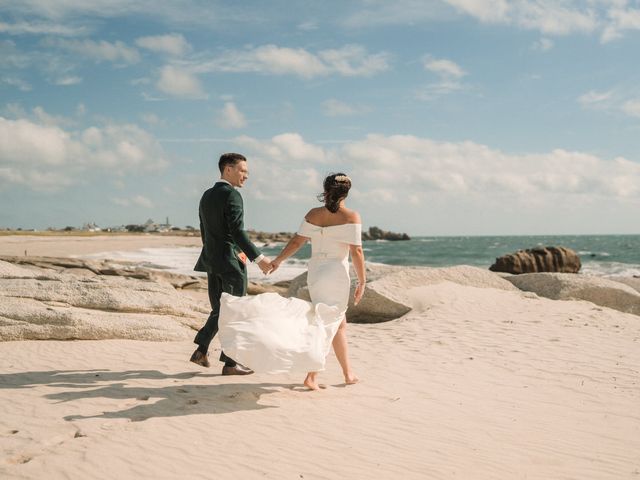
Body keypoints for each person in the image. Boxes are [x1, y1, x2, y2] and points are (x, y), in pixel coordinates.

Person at [218, 173, 365, 390]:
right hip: (335, 274)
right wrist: (362, 281)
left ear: (326, 190)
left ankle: (347, 373)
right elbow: (357, 251)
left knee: (337, 323)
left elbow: (297, 242)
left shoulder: (313, 214)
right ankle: (312, 376)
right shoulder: (351, 216)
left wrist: (278, 260)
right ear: (347, 193)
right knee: (327, 323)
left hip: (315, 272)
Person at [190, 152, 273, 375]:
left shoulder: (206, 195)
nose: (246, 176)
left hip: (211, 260)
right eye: (242, 171)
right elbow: (237, 232)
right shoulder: (232, 195)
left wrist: (211, 255)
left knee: (221, 309)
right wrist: (260, 259)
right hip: (229, 262)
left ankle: (202, 351)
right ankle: (230, 363)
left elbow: (204, 231)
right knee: (234, 311)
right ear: (228, 169)